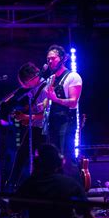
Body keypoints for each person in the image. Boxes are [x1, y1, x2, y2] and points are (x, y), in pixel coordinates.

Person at [11, 143, 93, 218]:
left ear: (37, 163)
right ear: (59, 163)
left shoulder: (29, 184)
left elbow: (13, 208)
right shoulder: (71, 184)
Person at [43, 44, 83, 183]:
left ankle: (78, 196)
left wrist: (55, 99)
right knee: (54, 158)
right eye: (48, 59)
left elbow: (73, 102)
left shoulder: (73, 77)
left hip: (66, 121)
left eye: (52, 58)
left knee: (67, 157)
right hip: (53, 122)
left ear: (62, 59)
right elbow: (47, 103)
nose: (49, 62)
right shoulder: (51, 79)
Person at [5, 62, 48, 190]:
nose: (24, 86)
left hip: (43, 130)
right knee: (21, 153)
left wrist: (26, 117)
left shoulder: (45, 88)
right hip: (35, 127)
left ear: (31, 77)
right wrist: (21, 113)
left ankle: (18, 185)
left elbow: (46, 115)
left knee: (39, 158)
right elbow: (35, 108)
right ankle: (12, 185)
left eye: (24, 82)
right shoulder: (34, 89)